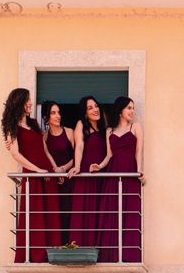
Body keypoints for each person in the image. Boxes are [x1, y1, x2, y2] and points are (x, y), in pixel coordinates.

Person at [2, 88, 61, 263]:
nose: (30, 104)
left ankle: (53, 254)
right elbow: (15, 154)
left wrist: (54, 168)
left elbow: (45, 150)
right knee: (35, 215)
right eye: (27, 100)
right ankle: (35, 255)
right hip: (34, 175)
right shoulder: (11, 127)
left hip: (46, 174)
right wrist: (36, 170)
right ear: (19, 102)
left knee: (51, 214)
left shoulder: (34, 123)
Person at [94, 96, 145, 262]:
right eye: (129, 108)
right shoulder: (109, 131)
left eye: (133, 108)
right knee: (112, 213)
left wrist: (139, 172)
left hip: (129, 173)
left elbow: (138, 152)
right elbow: (109, 155)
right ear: (120, 110)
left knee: (129, 212)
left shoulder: (135, 127)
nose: (132, 111)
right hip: (113, 173)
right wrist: (100, 166)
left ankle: (128, 256)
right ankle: (111, 256)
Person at [67, 96, 107, 247]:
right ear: (85, 113)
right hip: (86, 173)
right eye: (90, 108)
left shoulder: (104, 128)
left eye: (96, 106)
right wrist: (77, 166)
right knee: (84, 210)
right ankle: (79, 247)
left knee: (99, 210)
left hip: (101, 174)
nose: (95, 109)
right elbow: (79, 146)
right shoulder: (81, 125)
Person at [41, 101, 75, 243]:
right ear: (46, 117)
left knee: (70, 213)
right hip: (54, 183)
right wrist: (56, 172)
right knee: (56, 215)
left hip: (70, 179)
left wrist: (63, 169)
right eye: (53, 113)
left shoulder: (69, 132)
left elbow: (77, 158)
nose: (58, 116)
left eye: (59, 112)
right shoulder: (44, 136)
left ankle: (71, 245)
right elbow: (46, 156)